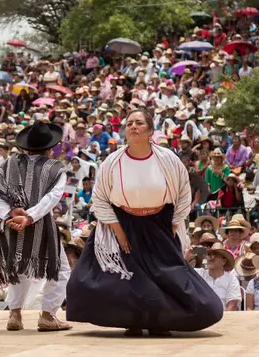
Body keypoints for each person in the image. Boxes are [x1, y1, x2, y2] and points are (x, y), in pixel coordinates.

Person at [67, 108, 223, 336]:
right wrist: (118, 232)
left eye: (139, 123)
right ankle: (134, 322)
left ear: (151, 130)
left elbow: (183, 194)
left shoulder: (168, 159)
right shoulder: (113, 161)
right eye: (129, 123)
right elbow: (100, 199)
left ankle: (160, 322)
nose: (133, 126)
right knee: (115, 282)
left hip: (159, 224)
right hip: (122, 224)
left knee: (170, 282)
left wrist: (172, 226)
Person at [0, 121, 72, 332]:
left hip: (9, 224)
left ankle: (14, 314)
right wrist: (30, 216)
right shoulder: (56, 168)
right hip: (41, 226)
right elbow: (52, 198)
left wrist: (10, 213)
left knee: (16, 268)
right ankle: (48, 316)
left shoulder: (8, 164)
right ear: (50, 147)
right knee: (59, 269)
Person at [194, 242, 241, 311]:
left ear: (223, 261)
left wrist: (224, 320)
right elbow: (181, 270)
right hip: (201, 318)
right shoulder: (199, 273)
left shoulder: (231, 280)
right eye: (209, 255)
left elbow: (232, 305)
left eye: (215, 255)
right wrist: (192, 251)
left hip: (222, 318)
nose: (211, 258)